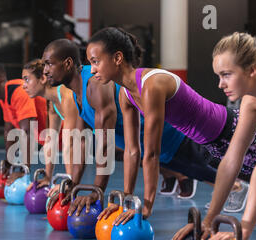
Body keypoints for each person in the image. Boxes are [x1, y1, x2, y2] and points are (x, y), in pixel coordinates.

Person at [85, 27, 256, 223]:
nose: (92, 70)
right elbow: (131, 150)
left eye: (95, 62)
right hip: (210, 144)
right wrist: (127, 201)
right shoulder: (125, 94)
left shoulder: (151, 85)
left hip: (229, 127)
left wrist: (146, 207)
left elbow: (152, 153)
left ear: (117, 58)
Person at [42, 39, 228, 218]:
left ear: (67, 63)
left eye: (49, 64)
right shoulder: (77, 94)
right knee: (221, 178)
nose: (45, 71)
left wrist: (97, 191)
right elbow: (82, 143)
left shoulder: (94, 84)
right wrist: (73, 184)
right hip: (159, 154)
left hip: (176, 141)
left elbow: (104, 145)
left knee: (233, 174)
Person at [175, 32, 256, 240]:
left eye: (226, 75)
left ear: (252, 70)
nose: (220, 84)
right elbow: (231, 161)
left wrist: (244, 228)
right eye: (218, 76)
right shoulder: (252, 100)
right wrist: (208, 221)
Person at [0, 61, 48, 185]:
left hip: (64, 134)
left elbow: (27, 131)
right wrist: (9, 164)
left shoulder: (19, 91)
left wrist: (23, 169)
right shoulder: (4, 98)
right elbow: (9, 131)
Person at [21, 59, 77, 191]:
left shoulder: (66, 95)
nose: (23, 85)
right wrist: (48, 177)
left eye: (27, 79)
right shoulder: (52, 102)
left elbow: (70, 142)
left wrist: (70, 182)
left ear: (42, 78)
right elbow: (51, 140)